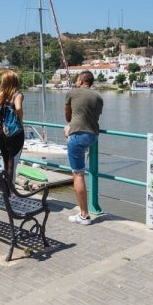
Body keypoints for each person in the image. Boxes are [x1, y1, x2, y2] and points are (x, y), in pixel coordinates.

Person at [64, 70, 103, 225]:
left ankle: (84, 214)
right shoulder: (98, 97)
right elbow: (96, 117)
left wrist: (70, 127)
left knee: (78, 174)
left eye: (77, 79)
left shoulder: (72, 93)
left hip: (77, 136)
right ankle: (86, 209)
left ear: (80, 80)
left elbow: (68, 116)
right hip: (93, 136)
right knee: (84, 171)